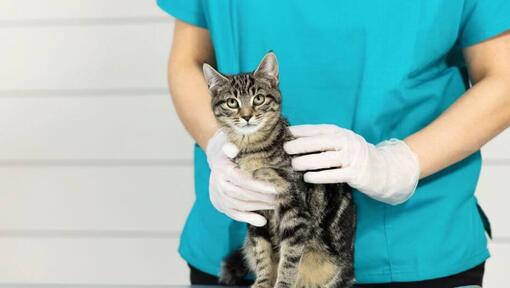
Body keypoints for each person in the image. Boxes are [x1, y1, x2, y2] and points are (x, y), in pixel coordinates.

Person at [157, 1, 510, 287]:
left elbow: (503, 77)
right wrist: (219, 141)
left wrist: (401, 163)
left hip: (414, 240)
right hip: (244, 228)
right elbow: (189, 60)